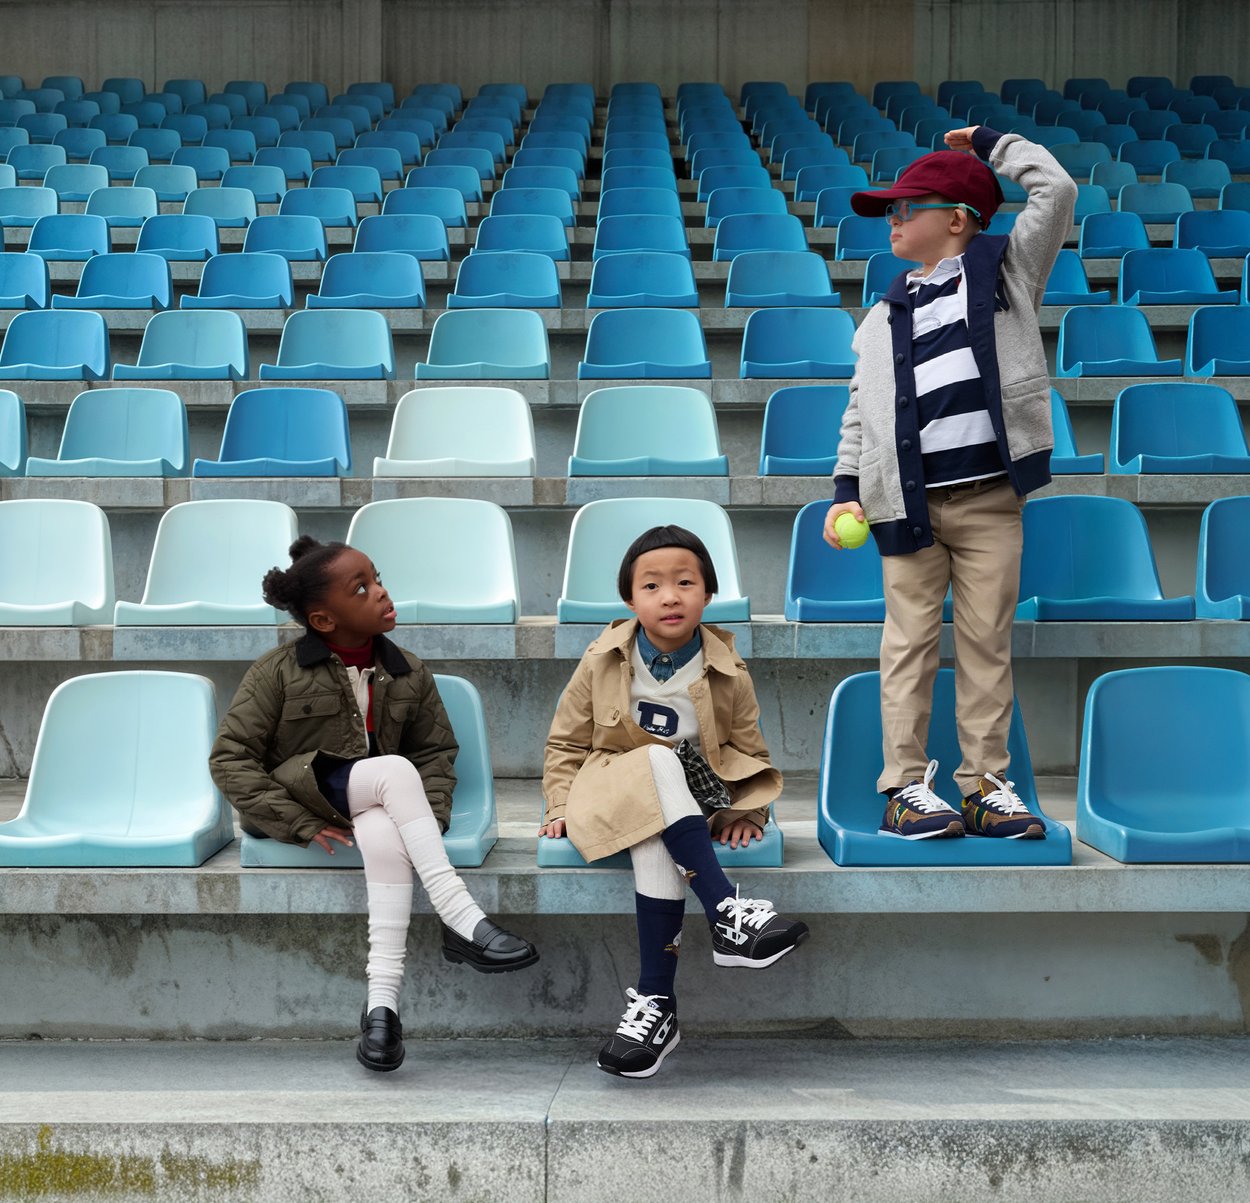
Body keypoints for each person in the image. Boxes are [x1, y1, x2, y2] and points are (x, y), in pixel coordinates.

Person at [823, 125, 1077, 841]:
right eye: (890, 210)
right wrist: (845, 489)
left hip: (991, 502)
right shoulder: (881, 317)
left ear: (959, 219)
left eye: (907, 207)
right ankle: (904, 787)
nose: (893, 219)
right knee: (906, 645)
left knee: (985, 645)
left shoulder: (1006, 274)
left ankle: (985, 787)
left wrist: (993, 145)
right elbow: (859, 412)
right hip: (905, 506)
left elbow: (1056, 189)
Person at [210, 536, 538, 1074]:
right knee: (395, 769)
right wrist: (295, 821)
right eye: (360, 588)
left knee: (387, 828)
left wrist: (423, 823)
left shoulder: (408, 670)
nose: (381, 592)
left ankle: (382, 1008)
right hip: (301, 795)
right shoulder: (277, 671)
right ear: (323, 620)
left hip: (373, 802)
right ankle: (460, 916)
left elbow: (436, 755)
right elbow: (230, 759)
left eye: (377, 578)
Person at [540, 525, 808, 1079]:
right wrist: (559, 805)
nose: (670, 596)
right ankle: (726, 909)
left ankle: (656, 1004)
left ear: (708, 594)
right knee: (656, 761)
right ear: (629, 599)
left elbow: (748, 749)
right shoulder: (601, 659)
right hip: (610, 784)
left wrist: (747, 811)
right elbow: (566, 742)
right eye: (652, 586)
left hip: (692, 797)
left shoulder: (728, 669)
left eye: (685, 583)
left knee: (655, 831)